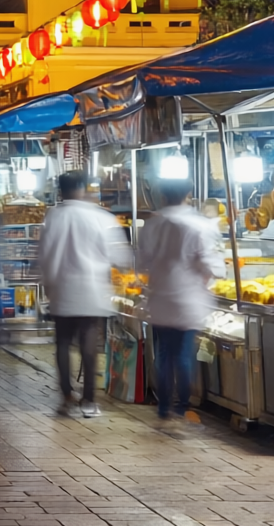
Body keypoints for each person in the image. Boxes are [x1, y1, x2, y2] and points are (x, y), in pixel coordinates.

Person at [38, 171, 129, 417]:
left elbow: (44, 256)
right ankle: (89, 401)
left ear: (61, 190)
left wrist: (48, 285)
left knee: (63, 344)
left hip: (62, 290)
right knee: (89, 346)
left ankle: (67, 396)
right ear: (81, 188)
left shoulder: (53, 217)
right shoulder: (101, 217)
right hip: (92, 290)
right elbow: (121, 257)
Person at [138, 178, 226, 424]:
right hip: (189, 298)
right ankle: (182, 406)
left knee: (165, 353)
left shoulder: (152, 225)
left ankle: (164, 407)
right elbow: (211, 264)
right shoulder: (200, 225)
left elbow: (142, 263)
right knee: (184, 353)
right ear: (189, 194)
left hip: (160, 298)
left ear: (163, 196)